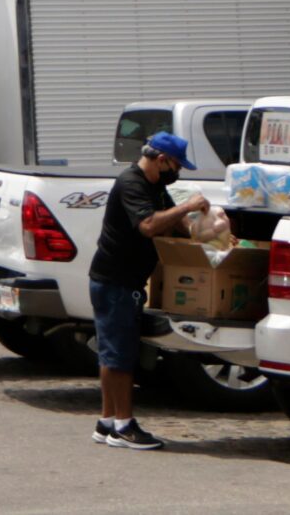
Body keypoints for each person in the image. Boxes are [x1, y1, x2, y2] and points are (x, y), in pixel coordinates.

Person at [88, 131, 208, 449]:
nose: (177, 172)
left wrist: (206, 234)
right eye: (176, 166)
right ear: (161, 160)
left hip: (119, 280)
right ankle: (124, 427)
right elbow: (149, 226)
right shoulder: (132, 183)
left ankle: (107, 421)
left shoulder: (154, 185)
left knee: (111, 352)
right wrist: (187, 206)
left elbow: (173, 223)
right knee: (120, 356)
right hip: (115, 281)